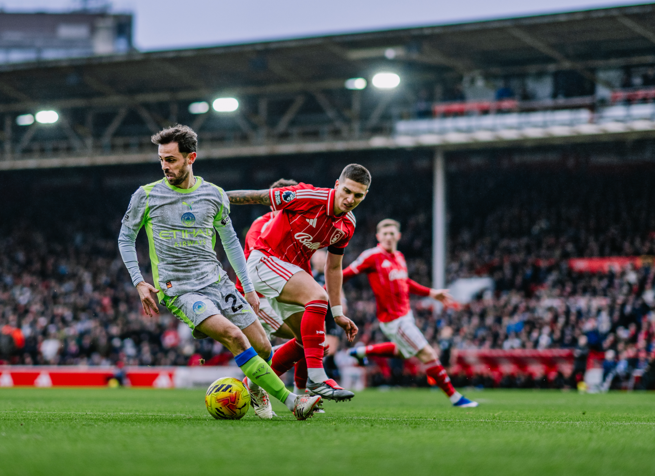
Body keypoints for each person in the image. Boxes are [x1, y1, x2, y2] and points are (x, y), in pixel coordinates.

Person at [117, 125, 321, 420]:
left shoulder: (214, 195)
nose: (164, 166)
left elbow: (231, 242)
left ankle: (254, 387)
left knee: (263, 347)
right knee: (234, 336)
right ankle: (293, 403)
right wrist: (139, 282)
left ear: (191, 158)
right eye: (161, 159)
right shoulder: (146, 195)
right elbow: (126, 237)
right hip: (180, 289)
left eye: (171, 159)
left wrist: (248, 288)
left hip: (218, 282)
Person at [226, 165, 367, 404]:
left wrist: (338, 313)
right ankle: (316, 380)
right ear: (336, 185)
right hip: (265, 261)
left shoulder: (347, 225)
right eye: (347, 191)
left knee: (307, 340)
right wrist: (208, 198)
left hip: (289, 273)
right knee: (318, 297)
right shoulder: (307, 196)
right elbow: (258, 196)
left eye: (358, 195)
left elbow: (333, 268)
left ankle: (252, 383)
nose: (350, 199)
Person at [343, 218, 477, 407]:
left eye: (392, 233)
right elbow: (345, 274)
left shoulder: (399, 257)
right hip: (394, 319)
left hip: (406, 315)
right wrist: (324, 291)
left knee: (403, 352)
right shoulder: (371, 256)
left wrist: (431, 293)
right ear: (378, 236)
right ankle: (456, 398)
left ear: (398, 236)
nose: (389, 237)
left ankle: (361, 351)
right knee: (429, 354)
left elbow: (405, 282)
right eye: (385, 234)